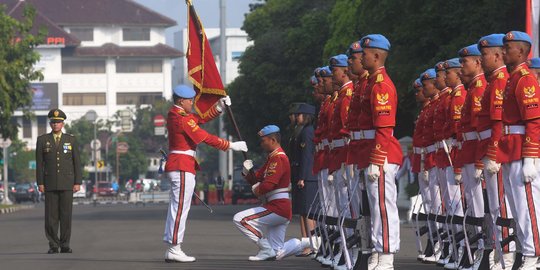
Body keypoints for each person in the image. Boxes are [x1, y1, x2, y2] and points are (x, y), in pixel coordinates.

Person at [163, 84, 248, 263]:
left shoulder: (178, 115)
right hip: (182, 165)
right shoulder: (182, 118)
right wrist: (231, 146)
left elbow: (198, 119)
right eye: (190, 100)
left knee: (177, 208)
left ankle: (173, 246)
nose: (192, 102)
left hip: (181, 164)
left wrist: (218, 108)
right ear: (181, 101)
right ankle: (175, 247)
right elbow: (204, 137)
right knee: (180, 210)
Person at [234, 125, 309, 261]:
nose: (261, 144)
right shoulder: (271, 158)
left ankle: (265, 248)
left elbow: (268, 184)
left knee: (240, 219)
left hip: (277, 207)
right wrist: (246, 172)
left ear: (273, 140)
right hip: (278, 206)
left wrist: (256, 189)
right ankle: (309, 242)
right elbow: (257, 178)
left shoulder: (278, 158)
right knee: (277, 253)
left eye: (264, 140)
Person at [359, 34, 403, 269]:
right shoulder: (371, 83)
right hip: (372, 153)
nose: (361, 56)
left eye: (365, 53)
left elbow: (384, 127)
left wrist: (376, 159)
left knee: (384, 208)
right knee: (375, 208)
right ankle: (379, 251)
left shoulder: (381, 85)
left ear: (376, 56)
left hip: (382, 154)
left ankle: (386, 255)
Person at [500, 31, 540, 269]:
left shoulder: (525, 79)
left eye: (508, 48)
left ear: (522, 52)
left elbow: (534, 121)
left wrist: (530, 157)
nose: (503, 52)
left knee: (528, 208)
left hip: (520, 151)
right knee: (518, 208)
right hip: (510, 150)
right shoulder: (513, 78)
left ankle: (532, 254)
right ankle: (528, 252)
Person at [36, 108, 81, 254]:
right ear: (50, 124)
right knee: (51, 216)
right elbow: (39, 163)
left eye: (58, 122)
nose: (56, 125)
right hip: (49, 183)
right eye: (53, 122)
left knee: (66, 215)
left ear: (63, 124)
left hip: (67, 183)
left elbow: (77, 162)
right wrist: (40, 183)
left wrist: (77, 182)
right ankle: (53, 244)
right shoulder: (42, 140)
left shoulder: (71, 140)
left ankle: (65, 244)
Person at [290, 103, 318, 256]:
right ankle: (306, 243)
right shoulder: (300, 131)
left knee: (309, 212)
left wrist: (302, 177)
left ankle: (313, 245)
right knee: (302, 212)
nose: (297, 117)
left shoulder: (307, 132)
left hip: (307, 177)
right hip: (301, 176)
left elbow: (307, 157)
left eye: (299, 114)